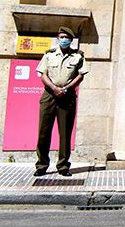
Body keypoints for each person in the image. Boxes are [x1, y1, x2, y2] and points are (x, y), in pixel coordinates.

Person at [34, 27, 89, 177]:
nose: (64, 39)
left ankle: (63, 166)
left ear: (71, 40)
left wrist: (65, 89)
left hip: (67, 96)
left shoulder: (78, 56)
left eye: (66, 37)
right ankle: (41, 165)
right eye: (61, 37)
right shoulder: (49, 54)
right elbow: (42, 74)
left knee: (65, 133)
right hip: (49, 95)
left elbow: (80, 75)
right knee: (44, 131)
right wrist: (54, 88)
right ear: (58, 39)